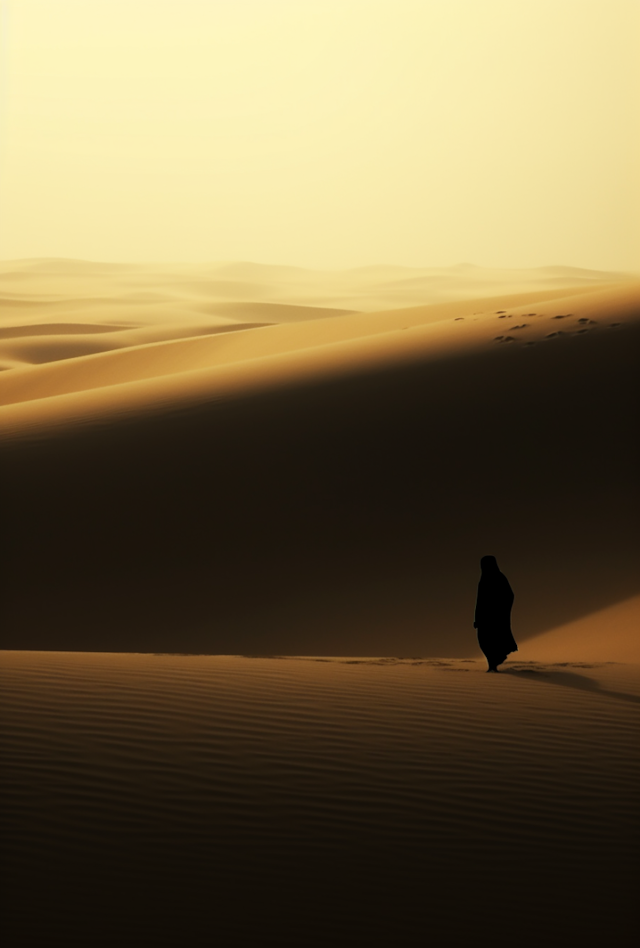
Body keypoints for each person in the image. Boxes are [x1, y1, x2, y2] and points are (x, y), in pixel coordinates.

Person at [473, 555, 518, 671]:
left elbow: (509, 595)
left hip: (496, 619)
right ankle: (491, 665)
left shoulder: (499, 577)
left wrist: (500, 611)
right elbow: (480, 601)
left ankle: (493, 665)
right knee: (484, 641)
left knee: (494, 641)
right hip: (484, 619)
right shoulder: (483, 580)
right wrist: (477, 618)